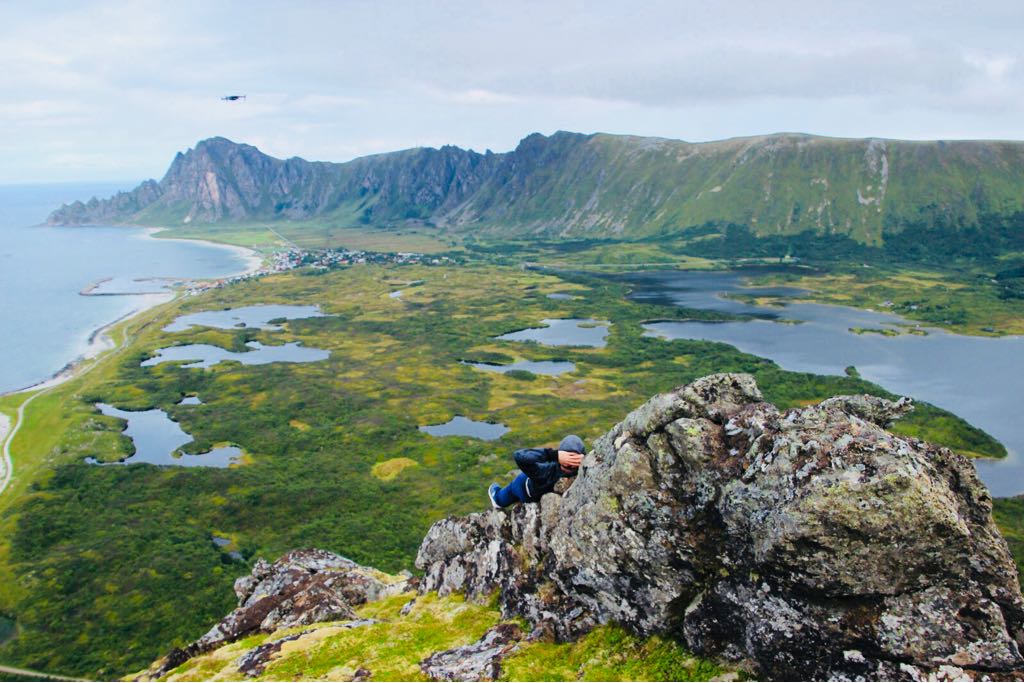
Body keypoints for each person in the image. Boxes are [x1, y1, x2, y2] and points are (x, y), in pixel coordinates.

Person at [488, 435, 585, 508]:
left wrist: (554, 455)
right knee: (503, 498)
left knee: (500, 499)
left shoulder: (547, 472)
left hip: (526, 484)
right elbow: (518, 456)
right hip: (525, 486)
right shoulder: (581, 472)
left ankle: (496, 494)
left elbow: (519, 455)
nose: (570, 462)